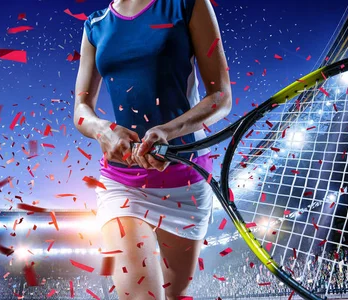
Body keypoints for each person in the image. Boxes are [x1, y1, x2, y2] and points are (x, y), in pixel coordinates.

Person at [73, 0, 231, 299]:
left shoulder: (189, 5)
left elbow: (220, 95)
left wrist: (167, 131)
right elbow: (81, 109)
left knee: (177, 294)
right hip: (123, 183)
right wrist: (103, 129)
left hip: (185, 181)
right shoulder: (95, 26)